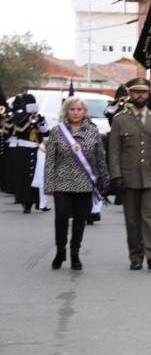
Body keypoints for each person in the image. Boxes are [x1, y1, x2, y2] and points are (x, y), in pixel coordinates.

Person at [108, 78, 151, 271]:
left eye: (143, 92)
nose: (140, 96)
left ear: (148, 94)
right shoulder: (120, 120)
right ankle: (136, 255)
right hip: (128, 177)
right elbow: (114, 151)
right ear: (130, 94)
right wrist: (116, 176)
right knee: (132, 219)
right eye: (136, 92)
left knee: (149, 217)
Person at [44, 97, 109, 270]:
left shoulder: (93, 131)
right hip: (62, 182)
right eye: (72, 109)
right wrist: (48, 184)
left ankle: (74, 254)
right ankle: (60, 251)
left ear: (84, 112)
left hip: (85, 182)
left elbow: (100, 159)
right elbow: (50, 160)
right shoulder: (57, 131)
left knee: (80, 219)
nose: (75, 112)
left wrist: (105, 180)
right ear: (67, 111)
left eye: (79, 109)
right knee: (62, 216)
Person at [14, 93, 50, 213]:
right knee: (25, 177)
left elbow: (46, 133)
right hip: (23, 150)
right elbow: (18, 130)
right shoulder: (19, 116)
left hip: (37, 149)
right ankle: (26, 202)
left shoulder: (39, 117)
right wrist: (28, 120)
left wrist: (40, 123)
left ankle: (40, 202)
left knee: (38, 177)